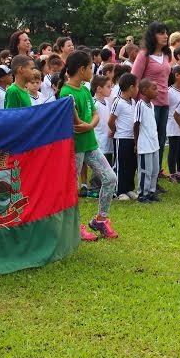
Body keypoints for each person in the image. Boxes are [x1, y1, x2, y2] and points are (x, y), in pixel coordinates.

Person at [59, 51, 119, 241]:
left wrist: (89, 125)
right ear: (82, 69)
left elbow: (94, 115)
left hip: (90, 144)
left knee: (110, 178)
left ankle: (101, 219)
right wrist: (84, 125)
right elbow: (73, 122)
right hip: (75, 148)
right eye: (90, 67)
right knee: (72, 189)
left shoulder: (85, 90)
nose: (93, 70)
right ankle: (74, 227)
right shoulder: (66, 92)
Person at [131, 22, 172, 175]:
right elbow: (134, 80)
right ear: (152, 36)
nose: (165, 36)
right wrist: (137, 103)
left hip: (164, 102)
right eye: (161, 33)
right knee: (147, 140)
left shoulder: (167, 55)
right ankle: (144, 172)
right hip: (148, 104)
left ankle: (156, 172)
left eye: (166, 33)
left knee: (160, 140)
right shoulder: (144, 55)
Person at [109, 73, 138, 200]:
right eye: (136, 87)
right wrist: (115, 130)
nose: (138, 90)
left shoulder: (133, 102)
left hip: (132, 138)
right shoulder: (118, 102)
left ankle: (129, 188)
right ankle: (119, 190)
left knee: (132, 164)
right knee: (121, 164)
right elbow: (111, 121)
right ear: (131, 87)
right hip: (122, 138)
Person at [134, 78, 160, 203]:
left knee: (155, 170)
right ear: (144, 91)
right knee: (145, 171)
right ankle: (142, 194)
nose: (157, 91)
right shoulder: (140, 105)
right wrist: (136, 143)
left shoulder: (152, 105)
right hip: (145, 144)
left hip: (154, 143)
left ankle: (151, 192)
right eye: (154, 89)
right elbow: (136, 124)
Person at [166, 66, 180, 183]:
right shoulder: (169, 91)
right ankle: (172, 174)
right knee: (173, 149)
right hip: (173, 124)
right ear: (177, 75)